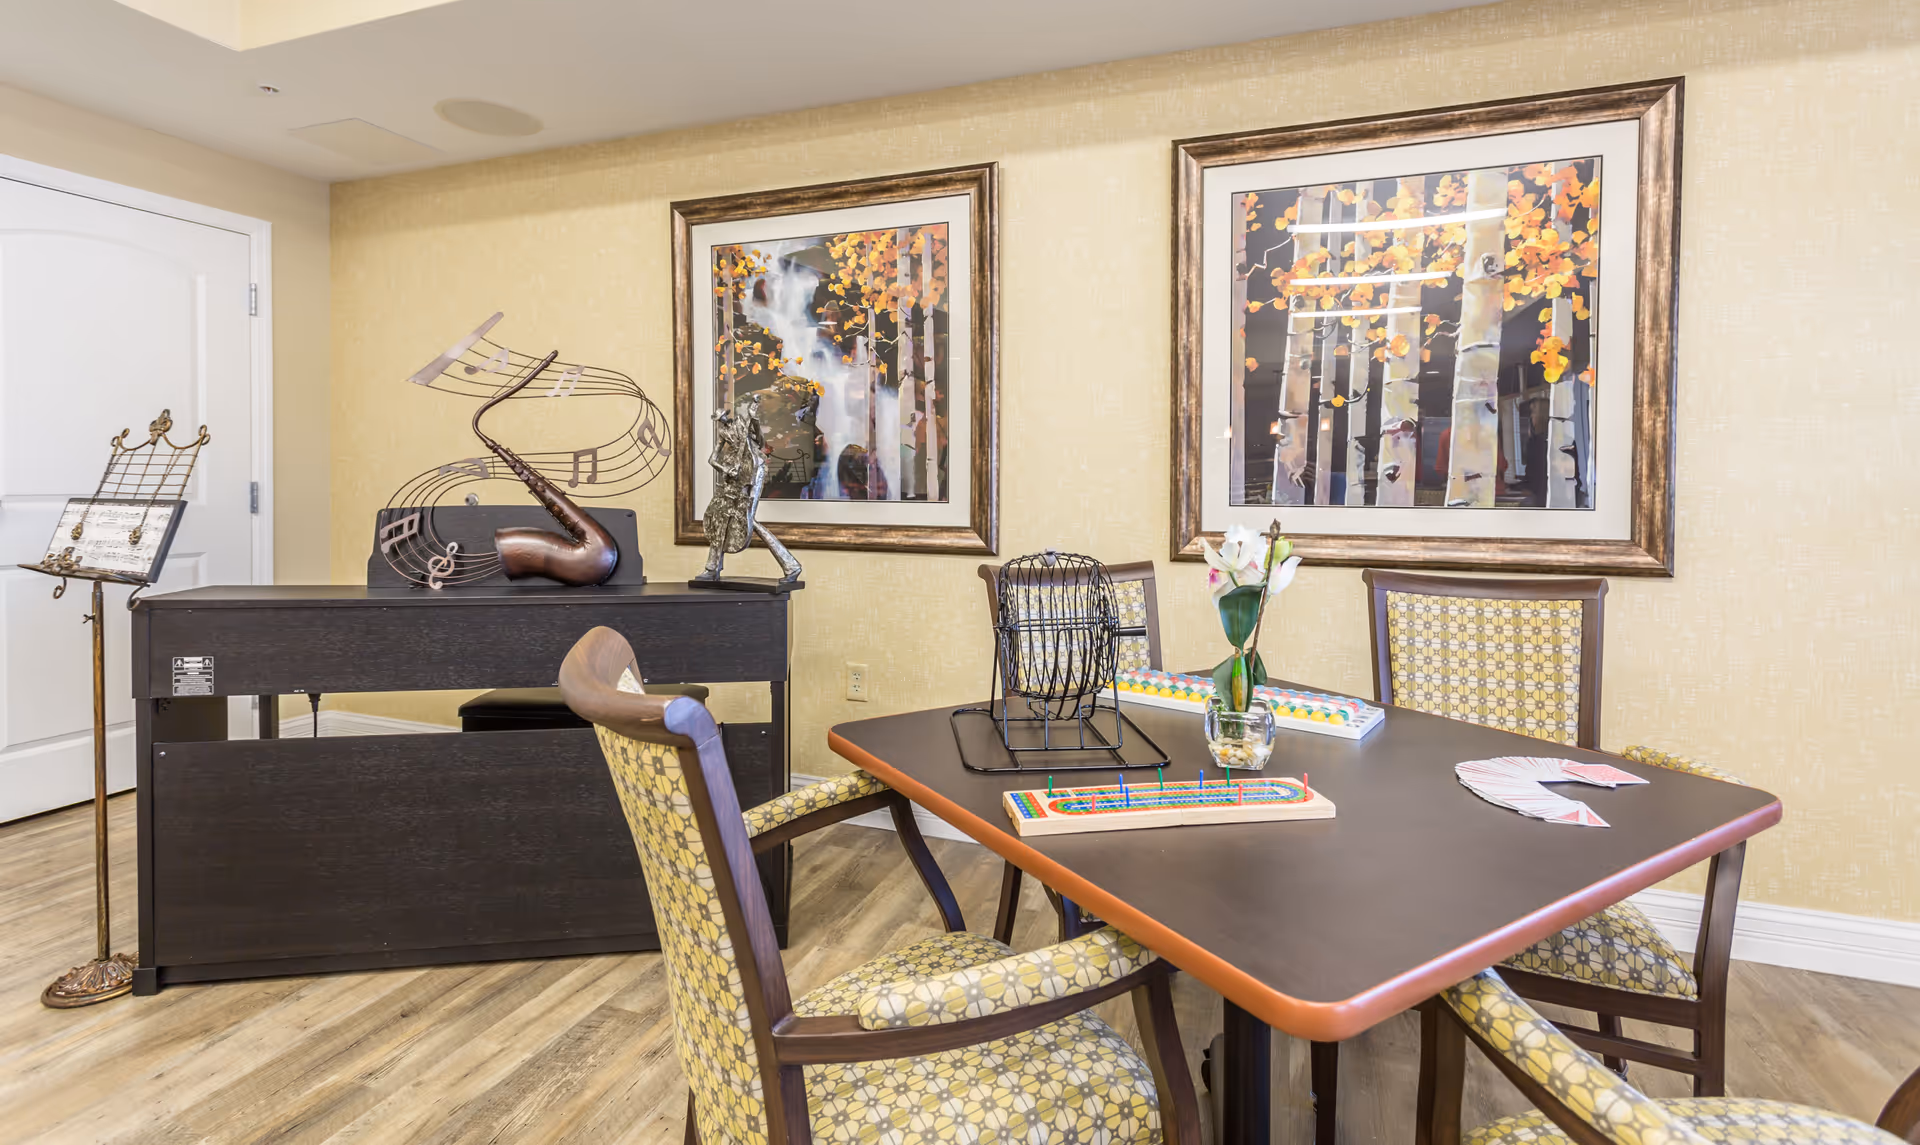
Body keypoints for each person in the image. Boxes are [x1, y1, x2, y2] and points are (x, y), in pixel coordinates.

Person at [694, 392, 803, 585]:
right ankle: (712, 567)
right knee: (722, 514)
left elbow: (760, 441)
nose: (723, 420)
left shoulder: (742, 424)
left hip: (752, 471)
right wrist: (725, 469)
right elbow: (712, 459)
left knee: (747, 518)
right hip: (733, 475)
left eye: (723, 417)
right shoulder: (723, 433)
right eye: (720, 419)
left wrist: (754, 418)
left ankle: (790, 565)